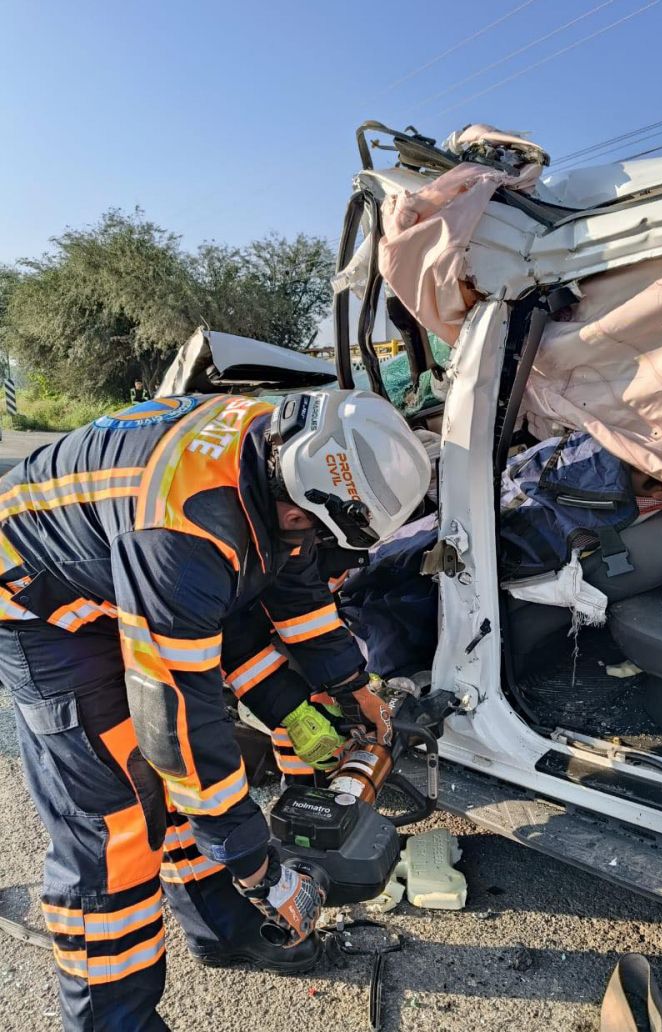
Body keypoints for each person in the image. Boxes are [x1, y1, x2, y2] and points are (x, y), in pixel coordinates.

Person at [0, 388, 430, 1031]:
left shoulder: (284, 456)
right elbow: (178, 720)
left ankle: (222, 930)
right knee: (116, 825)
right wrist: (258, 867)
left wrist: (351, 687)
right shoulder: (184, 533)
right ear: (296, 505)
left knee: (177, 796)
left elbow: (293, 583)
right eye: (313, 530)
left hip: (124, 569)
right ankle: (111, 1022)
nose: (311, 543)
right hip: (42, 606)